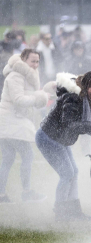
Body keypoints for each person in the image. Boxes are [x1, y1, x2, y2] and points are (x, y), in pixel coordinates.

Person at [36, 71, 91, 221]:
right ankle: (61, 213)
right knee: (67, 173)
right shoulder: (73, 97)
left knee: (74, 171)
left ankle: (73, 211)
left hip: (60, 139)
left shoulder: (85, 99)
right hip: (48, 137)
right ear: (85, 86)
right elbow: (69, 124)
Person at [0, 50, 50, 203]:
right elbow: (18, 99)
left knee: (8, 158)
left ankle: (2, 195)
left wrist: (47, 95)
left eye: (37, 62)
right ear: (23, 60)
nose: (35, 64)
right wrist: (38, 98)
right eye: (32, 61)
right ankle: (26, 192)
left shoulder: (26, 75)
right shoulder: (16, 75)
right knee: (27, 155)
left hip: (12, 122)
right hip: (11, 121)